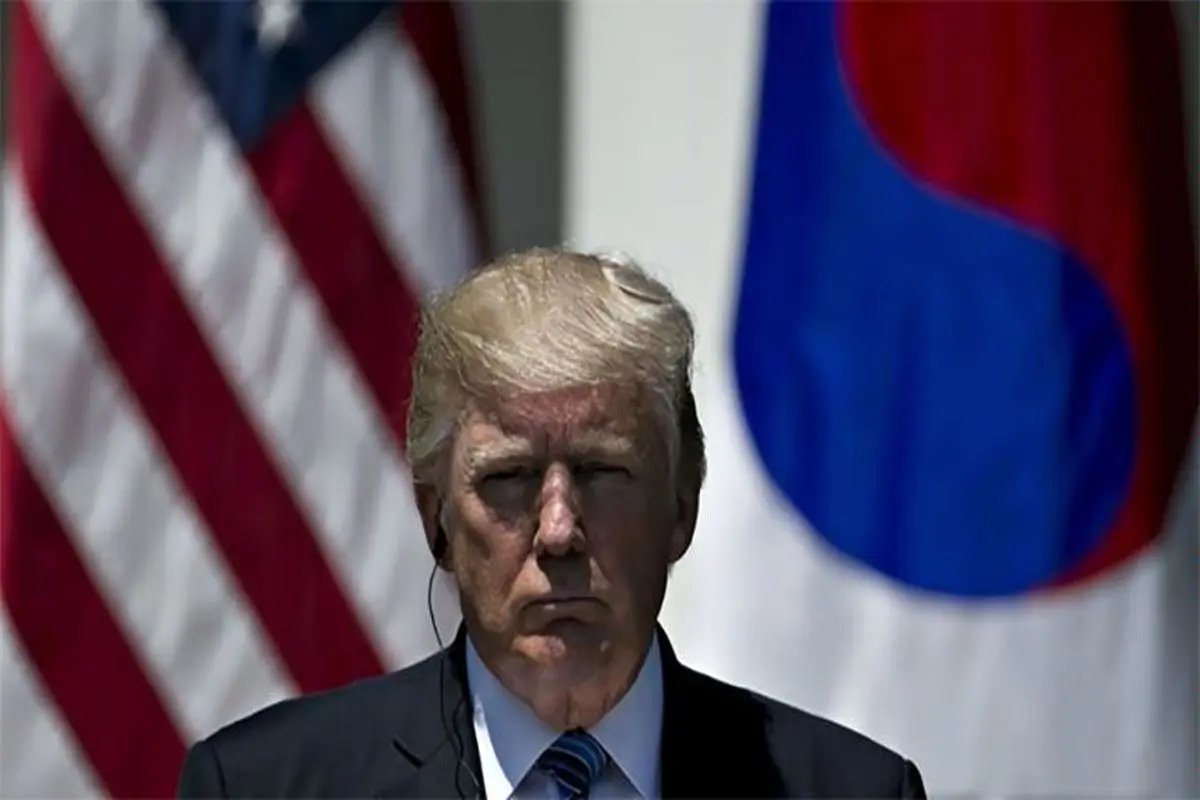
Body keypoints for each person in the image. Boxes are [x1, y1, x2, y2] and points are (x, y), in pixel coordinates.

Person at [177, 247, 926, 799]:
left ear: (681, 506)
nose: (559, 531)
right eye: (509, 479)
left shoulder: (853, 791)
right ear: (436, 519)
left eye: (602, 472)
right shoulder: (260, 788)